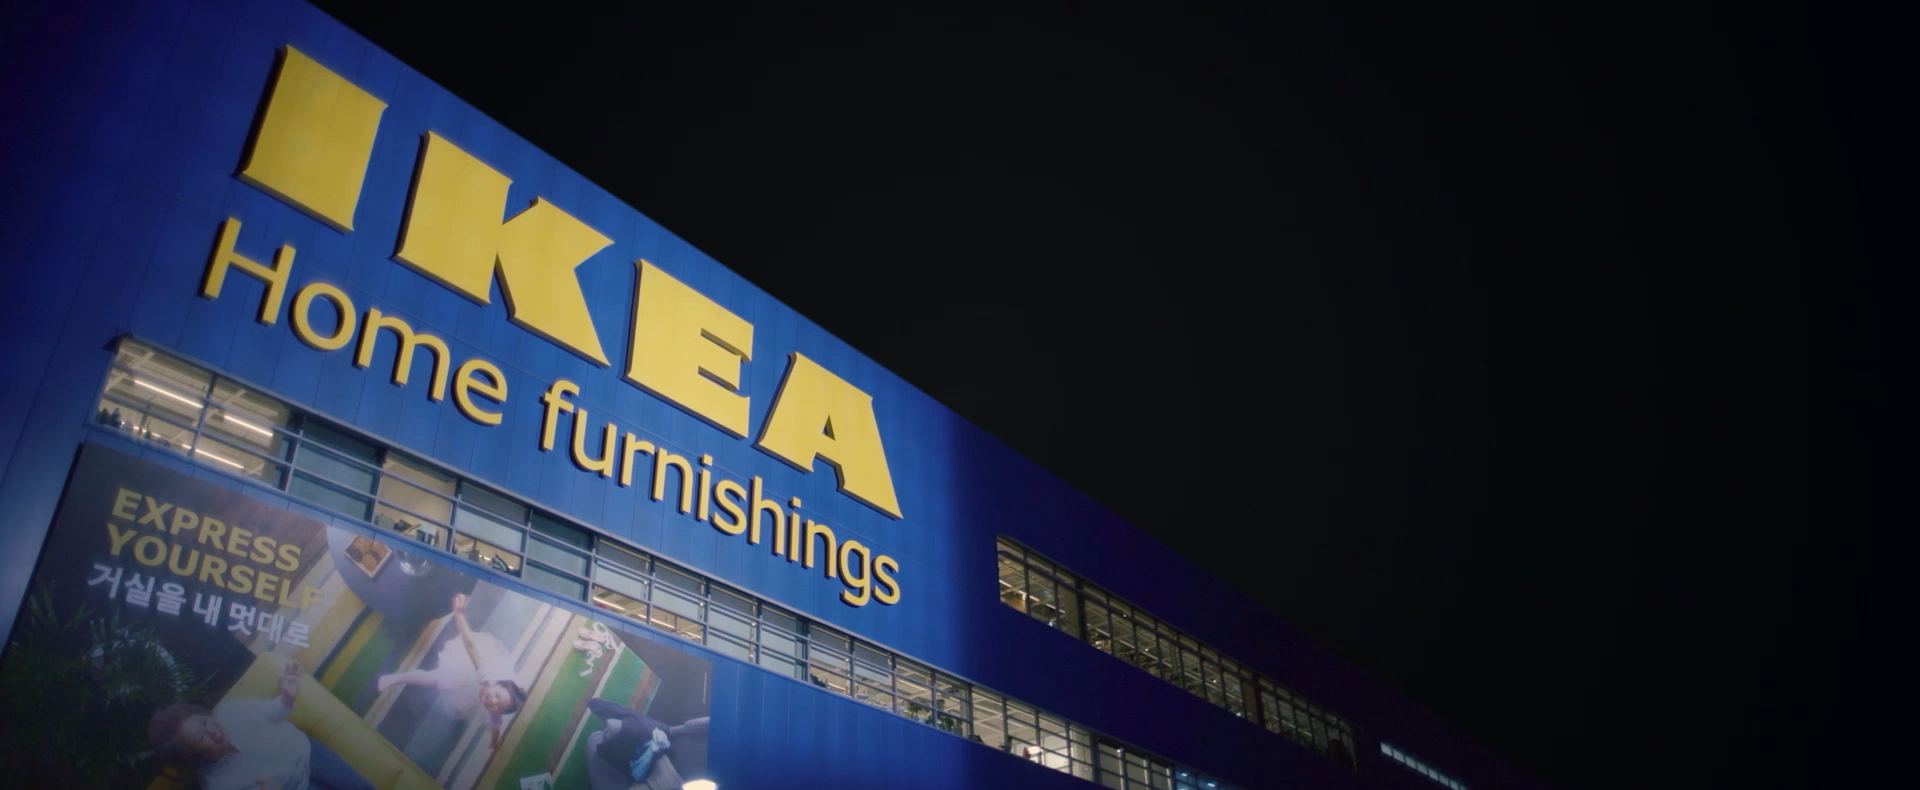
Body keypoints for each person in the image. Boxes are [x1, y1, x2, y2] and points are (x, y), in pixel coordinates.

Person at [149, 658, 374, 790]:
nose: (212, 731)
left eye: (204, 722)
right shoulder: (217, 783)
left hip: (307, 752)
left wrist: (287, 697)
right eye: (201, 738)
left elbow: (274, 711)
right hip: (295, 788)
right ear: (194, 755)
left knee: (361, 787)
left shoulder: (231, 710)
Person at [375, 593, 526, 750]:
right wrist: (458, 613)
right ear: (496, 684)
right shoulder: (486, 677)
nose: (492, 702)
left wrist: (494, 741)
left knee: (433, 682)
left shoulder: (493, 712)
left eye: (498, 706)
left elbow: (495, 724)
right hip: (464, 667)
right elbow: (470, 645)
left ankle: (398, 678)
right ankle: (396, 678)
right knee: (431, 679)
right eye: (497, 695)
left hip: (464, 687)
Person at [584, 698, 709, 788]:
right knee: (607, 733)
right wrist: (670, 731)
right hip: (664, 749)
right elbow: (700, 725)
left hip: (650, 778)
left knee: (596, 739)